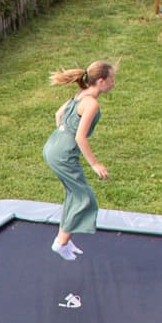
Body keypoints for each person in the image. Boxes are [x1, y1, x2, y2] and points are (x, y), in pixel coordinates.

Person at [43, 60, 114, 259]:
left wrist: (62, 135)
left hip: (52, 145)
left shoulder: (80, 94)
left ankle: (63, 239)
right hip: (63, 153)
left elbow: (59, 114)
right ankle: (61, 243)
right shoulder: (91, 103)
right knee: (85, 198)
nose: (113, 83)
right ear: (101, 81)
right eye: (111, 79)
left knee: (73, 193)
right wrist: (95, 164)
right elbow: (80, 137)